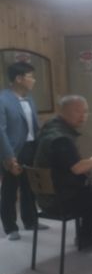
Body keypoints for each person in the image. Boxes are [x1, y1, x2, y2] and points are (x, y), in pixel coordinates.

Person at [34, 95, 92, 248]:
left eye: (85, 112)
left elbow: (68, 164)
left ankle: (86, 237)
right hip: (59, 200)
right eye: (77, 111)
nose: (83, 116)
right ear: (63, 112)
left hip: (48, 196)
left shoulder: (50, 128)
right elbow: (77, 168)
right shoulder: (61, 138)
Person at [0, 62, 44, 240]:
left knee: (30, 187)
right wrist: (8, 156)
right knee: (10, 190)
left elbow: (33, 125)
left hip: (31, 148)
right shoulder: (3, 99)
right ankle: (10, 227)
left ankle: (31, 220)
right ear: (18, 78)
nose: (34, 80)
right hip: (12, 150)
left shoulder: (29, 99)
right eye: (30, 76)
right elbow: (1, 130)